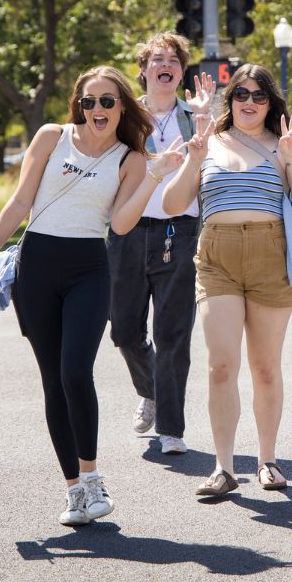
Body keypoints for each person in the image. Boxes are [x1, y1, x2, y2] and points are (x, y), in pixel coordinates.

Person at [0, 66, 186, 525]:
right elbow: (20, 202)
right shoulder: (52, 136)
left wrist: (154, 174)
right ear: (79, 105)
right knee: (52, 380)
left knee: (74, 373)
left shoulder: (130, 159)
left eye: (108, 101)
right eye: (90, 101)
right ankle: (72, 491)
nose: (98, 110)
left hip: (89, 268)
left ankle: (92, 478)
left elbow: (123, 224)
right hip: (37, 267)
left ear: (122, 106)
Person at [162, 64, 292, 497]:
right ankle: (224, 467)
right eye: (241, 95)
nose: (248, 102)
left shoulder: (283, 144)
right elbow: (174, 202)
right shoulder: (209, 143)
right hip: (217, 255)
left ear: (271, 103)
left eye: (259, 95)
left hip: (272, 254)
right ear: (229, 100)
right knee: (220, 365)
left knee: (266, 367)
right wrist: (193, 158)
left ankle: (267, 460)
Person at [107, 32, 215, 455]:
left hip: (180, 232)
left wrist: (206, 118)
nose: (165, 65)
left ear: (181, 72)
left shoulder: (198, 115)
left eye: (173, 59)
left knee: (174, 335)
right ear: (144, 69)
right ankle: (152, 389)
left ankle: (171, 427)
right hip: (128, 231)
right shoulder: (122, 115)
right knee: (124, 331)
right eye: (157, 59)